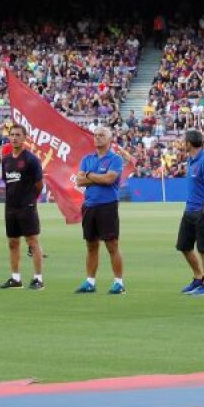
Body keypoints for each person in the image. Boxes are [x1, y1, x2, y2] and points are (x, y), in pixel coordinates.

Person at [75, 126, 125, 294]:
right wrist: (95, 177)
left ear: (109, 139)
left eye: (101, 135)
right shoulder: (87, 158)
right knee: (91, 245)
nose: (97, 138)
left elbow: (109, 179)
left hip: (107, 205)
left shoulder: (115, 159)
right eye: (95, 135)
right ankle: (90, 282)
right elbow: (79, 181)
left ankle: (119, 283)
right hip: (89, 206)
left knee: (112, 245)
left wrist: (89, 175)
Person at [0, 124, 44, 290]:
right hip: (11, 206)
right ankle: (15, 278)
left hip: (27, 205)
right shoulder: (6, 160)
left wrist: (30, 199)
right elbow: (7, 181)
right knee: (12, 242)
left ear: (24, 138)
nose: (15, 137)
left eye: (18, 135)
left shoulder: (31, 159)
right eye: (12, 135)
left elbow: (39, 184)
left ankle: (38, 278)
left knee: (32, 241)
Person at [177, 130, 204, 297]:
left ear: (189, 143)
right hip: (189, 210)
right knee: (184, 246)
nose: (182, 143)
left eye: (184, 141)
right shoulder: (190, 159)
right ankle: (198, 277)